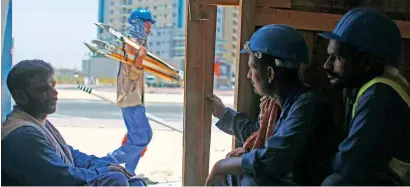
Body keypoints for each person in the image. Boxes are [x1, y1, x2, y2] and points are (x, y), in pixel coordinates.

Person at [205, 24, 343, 186]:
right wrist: (224, 114)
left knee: (250, 182)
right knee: (231, 178)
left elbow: (274, 158)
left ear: (270, 73)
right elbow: (255, 132)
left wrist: (221, 166)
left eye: (252, 68)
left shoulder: (308, 106)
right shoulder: (275, 103)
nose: (248, 75)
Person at [1, 59, 146, 186]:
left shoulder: (37, 122)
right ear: (20, 96)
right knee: (115, 180)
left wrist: (106, 165)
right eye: (44, 89)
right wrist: (105, 171)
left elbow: (73, 156)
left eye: (53, 85)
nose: (54, 93)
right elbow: (60, 177)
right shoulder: (22, 135)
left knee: (133, 181)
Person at [319, 7, 410, 185]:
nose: (326, 65)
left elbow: (349, 165)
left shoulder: (378, 95)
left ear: (366, 62)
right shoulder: (369, 84)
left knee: (335, 183)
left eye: (337, 57)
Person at [101, 8, 155, 176]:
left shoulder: (134, 44)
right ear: (138, 23)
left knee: (140, 137)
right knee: (141, 138)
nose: (149, 27)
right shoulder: (133, 46)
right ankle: (105, 162)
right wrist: (139, 61)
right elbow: (131, 75)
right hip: (130, 98)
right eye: (147, 23)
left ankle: (128, 172)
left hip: (132, 98)